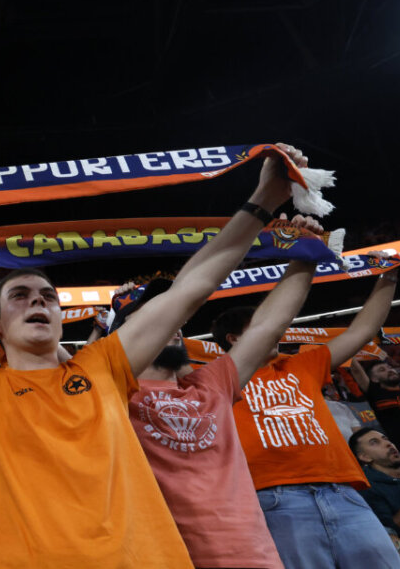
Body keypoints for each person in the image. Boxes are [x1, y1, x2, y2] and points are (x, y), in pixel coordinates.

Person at [0, 142, 305, 567]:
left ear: (62, 317)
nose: (38, 301)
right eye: (21, 296)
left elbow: (194, 286)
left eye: (47, 297)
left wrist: (262, 199)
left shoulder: (106, 364)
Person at [126, 243, 321, 568]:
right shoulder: (109, 391)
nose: (171, 324)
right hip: (169, 557)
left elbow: (268, 325)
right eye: (153, 317)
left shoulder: (212, 384)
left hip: (255, 556)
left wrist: (306, 254)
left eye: (172, 318)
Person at [218, 268, 400, 567]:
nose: (276, 330)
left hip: (343, 491)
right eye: (263, 325)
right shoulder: (216, 378)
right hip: (274, 499)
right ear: (233, 338)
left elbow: (362, 330)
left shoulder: (302, 364)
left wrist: (390, 277)